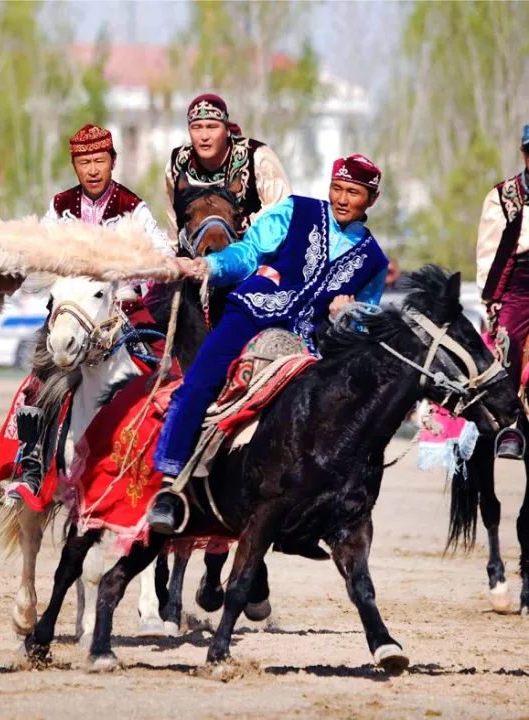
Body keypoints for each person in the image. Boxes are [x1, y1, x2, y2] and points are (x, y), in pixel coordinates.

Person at [147, 154, 389, 534]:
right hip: (252, 312)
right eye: (337, 188)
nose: (342, 198)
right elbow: (249, 253)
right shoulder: (296, 211)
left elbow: (363, 325)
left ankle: (302, 507)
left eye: (353, 192)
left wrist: (350, 313)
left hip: (305, 345)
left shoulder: (374, 261)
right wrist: (213, 266)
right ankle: (169, 486)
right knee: (199, 382)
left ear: (370, 200)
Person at [4, 123, 169, 502]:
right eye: (84, 162)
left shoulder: (133, 208)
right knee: (39, 380)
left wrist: (129, 276)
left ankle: (162, 464)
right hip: (71, 310)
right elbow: (43, 252)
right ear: (74, 166)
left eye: (99, 161)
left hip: (121, 310)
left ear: (113, 162)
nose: (93, 169)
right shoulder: (60, 206)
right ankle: (30, 464)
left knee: (163, 371)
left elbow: (160, 256)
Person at [165, 94, 291, 255]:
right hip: (194, 261)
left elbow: (284, 210)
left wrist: (239, 226)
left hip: (255, 257)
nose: (204, 136)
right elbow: (174, 226)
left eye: (212, 127)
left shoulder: (258, 157)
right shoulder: (177, 164)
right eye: (196, 127)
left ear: (226, 130)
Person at [476, 124, 529, 459]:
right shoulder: (503, 197)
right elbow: (489, 254)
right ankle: (510, 424)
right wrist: (492, 301)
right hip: (520, 283)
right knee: (509, 337)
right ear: (525, 153)